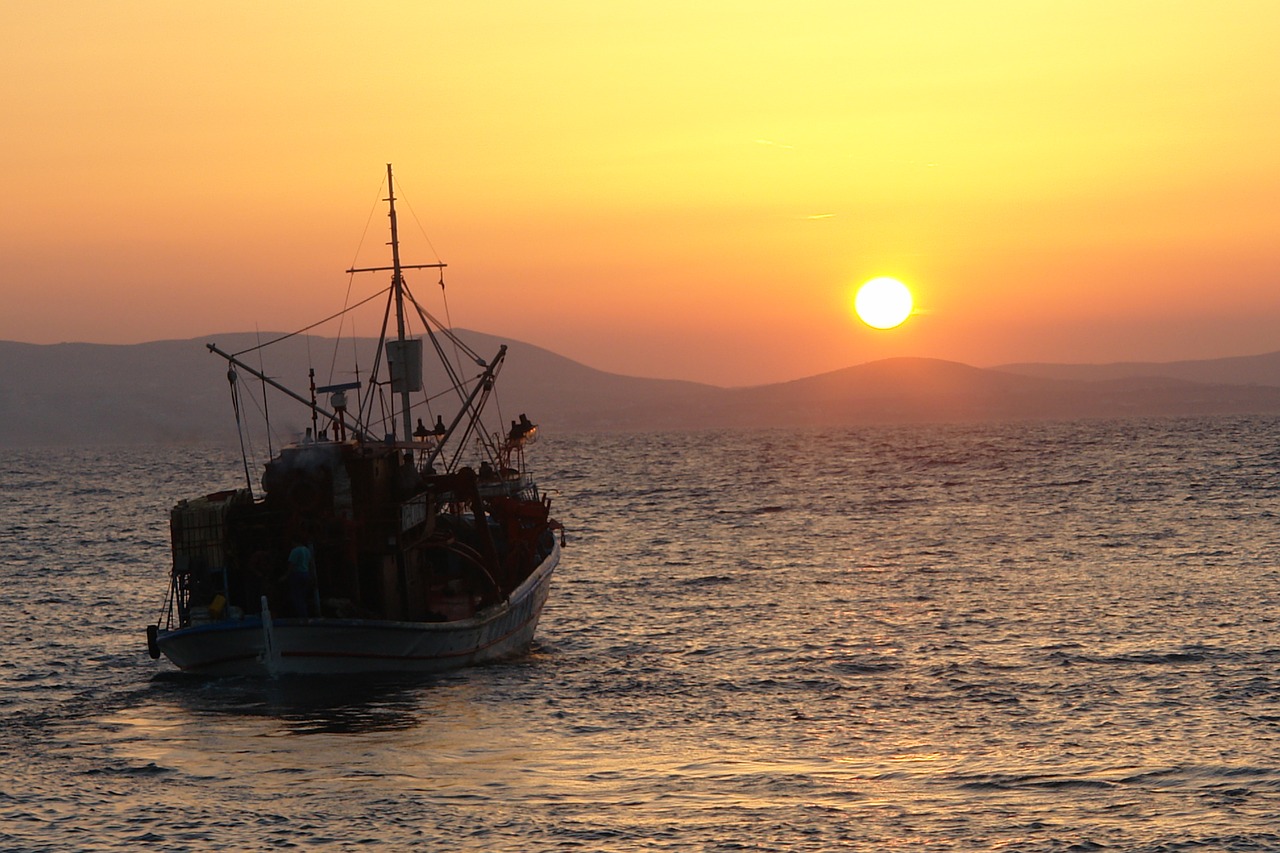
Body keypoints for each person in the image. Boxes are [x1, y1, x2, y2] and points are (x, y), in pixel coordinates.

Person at [285, 539, 317, 617]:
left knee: (297, 597)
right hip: (306, 574)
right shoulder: (307, 550)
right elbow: (311, 564)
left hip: (297, 575)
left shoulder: (295, 551)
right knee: (303, 596)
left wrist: (286, 575)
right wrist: (312, 576)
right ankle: (305, 613)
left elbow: (291, 565)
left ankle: (301, 615)